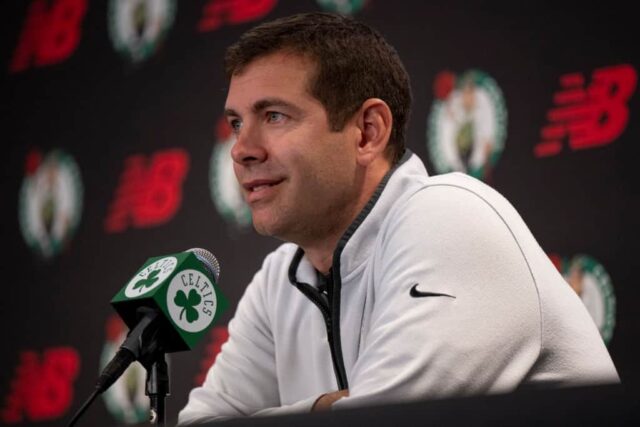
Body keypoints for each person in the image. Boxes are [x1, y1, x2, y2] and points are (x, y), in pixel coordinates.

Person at [178, 12, 619, 425]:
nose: (241, 149)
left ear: (368, 132)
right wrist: (322, 407)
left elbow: (386, 419)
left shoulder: (449, 217)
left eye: (274, 116)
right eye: (237, 123)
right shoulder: (281, 278)